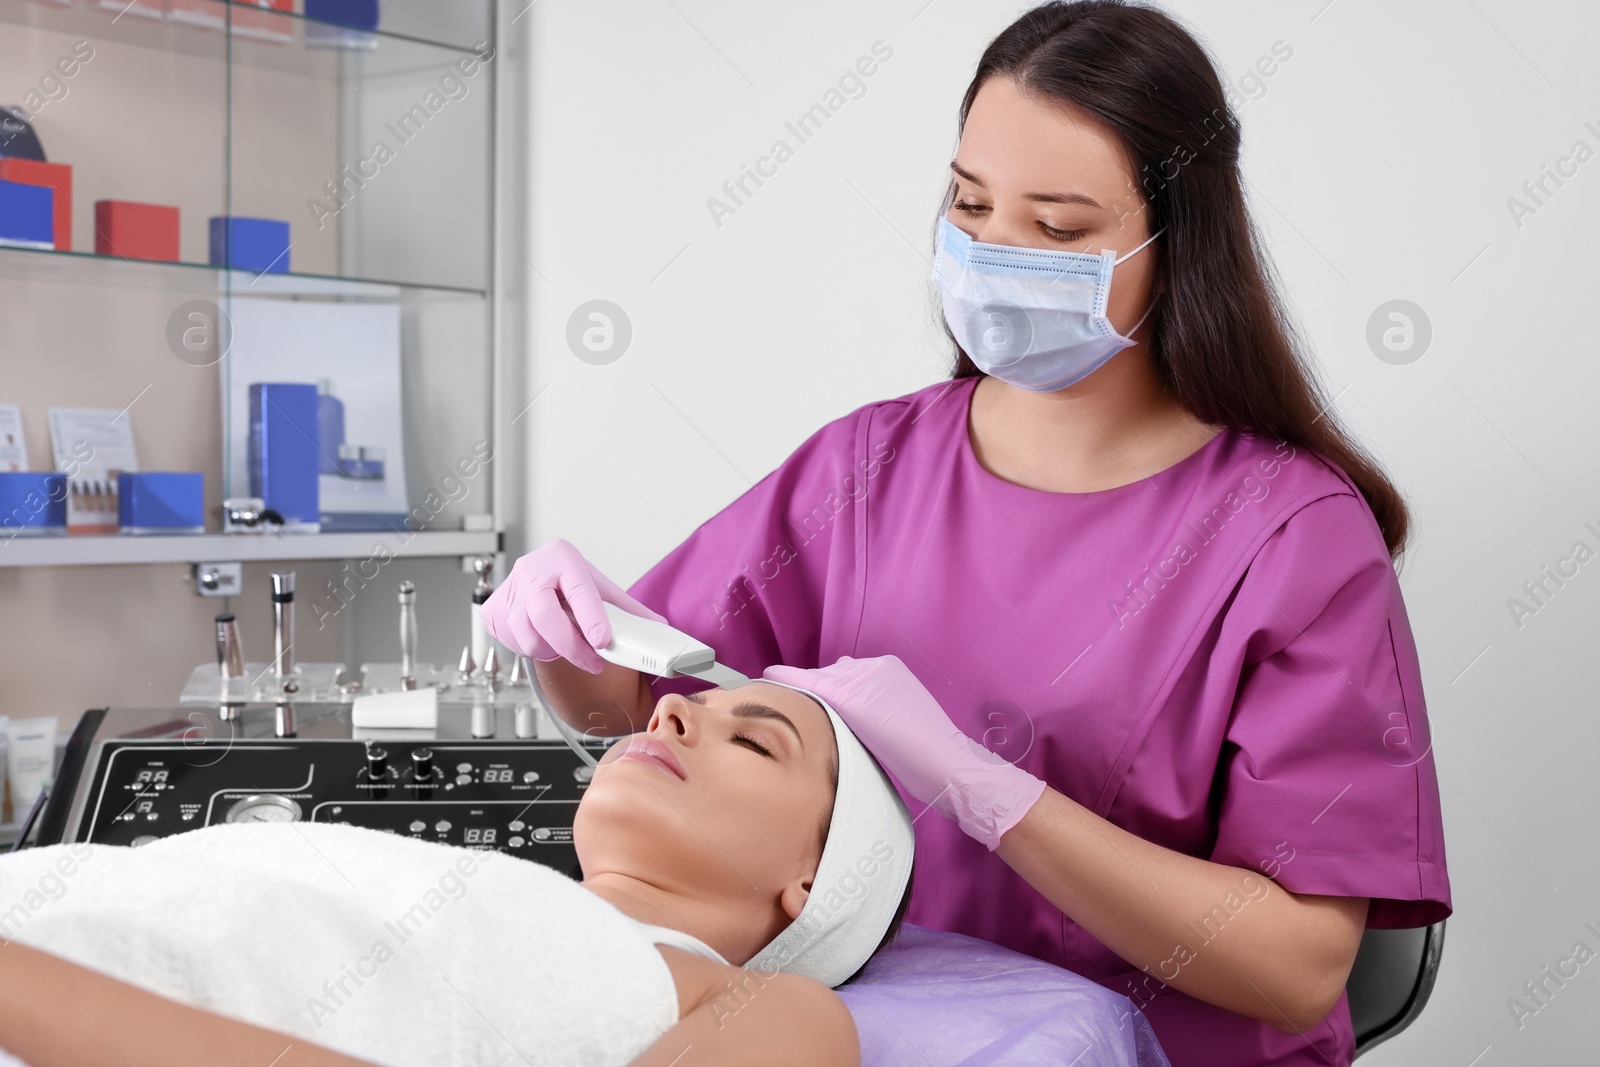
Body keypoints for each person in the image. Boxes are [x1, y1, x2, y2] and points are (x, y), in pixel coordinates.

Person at [479, 3, 1451, 1064]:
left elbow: (1298, 965)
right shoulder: (866, 468)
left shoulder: (1290, 537)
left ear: (1178, 248)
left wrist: (988, 791)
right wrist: (567, 636)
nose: (994, 253)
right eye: (969, 203)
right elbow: (640, 706)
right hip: (882, 1030)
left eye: (1060, 228)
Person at [0, 681, 915, 1067]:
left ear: (814, 879)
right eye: (694, 699)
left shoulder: (781, 1006)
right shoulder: (451, 880)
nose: (672, 706)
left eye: (754, 739)